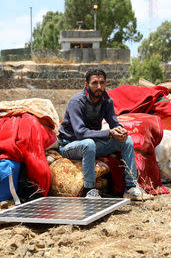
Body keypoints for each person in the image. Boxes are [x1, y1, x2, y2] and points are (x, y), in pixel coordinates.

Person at [58, 69, 152, 200]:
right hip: (70, 145)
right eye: (94, 83)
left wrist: (120, 130)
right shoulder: (77, 102)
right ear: (86, 85)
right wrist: (109, 133)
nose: (99, 87)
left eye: (102, 83)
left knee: (127, 140)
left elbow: (114, 123)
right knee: (88, 144)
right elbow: (80, 133)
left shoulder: (106, 100)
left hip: (92, 145)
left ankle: (131, 188)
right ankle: (89, 190)